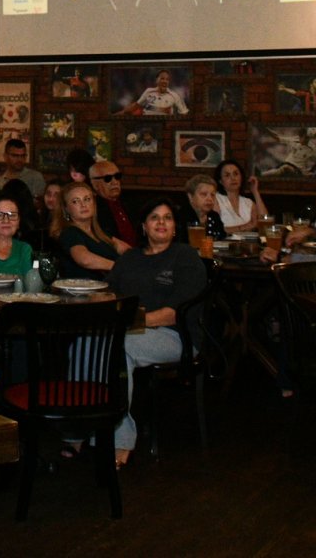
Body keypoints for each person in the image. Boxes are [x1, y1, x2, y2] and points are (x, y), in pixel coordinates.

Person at [108, 199, 207, 467]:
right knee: (84, 344)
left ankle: (120, 439)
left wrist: (128, 323)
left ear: (175, 227)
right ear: (143, 226)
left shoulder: (185, 256)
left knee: (118, 346)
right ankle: (83, 429)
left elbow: (175, 313)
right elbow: (108, 295)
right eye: (154, 217)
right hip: (129, 331)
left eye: (167, 218)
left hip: (175, 335)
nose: (161, 223)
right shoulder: (129, 259)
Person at [58, 183, 128, 276]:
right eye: (75, 201)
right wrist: (119, 267)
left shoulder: (100, 233)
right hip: (83, 289)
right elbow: (84, 259)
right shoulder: (70, 233)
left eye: (87, 199)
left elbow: (128, 251)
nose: (83, 205)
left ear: (94, 204)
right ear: (66, 209)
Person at [87, 159, 139, 246]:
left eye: (117, 176)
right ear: (95, 184)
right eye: (108, 178)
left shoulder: (130, 202)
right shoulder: (93, 209)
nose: (114, 182)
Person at [212, 158, 267, 233]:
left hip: (248, 243)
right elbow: (215, 230)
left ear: (241, 177)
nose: (233, 178)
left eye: (236, 174)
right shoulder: (215, 199)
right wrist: (246, 226)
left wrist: (255, 192)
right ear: (220, 181)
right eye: (227, 175)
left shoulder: (248, 202)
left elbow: (265, 223)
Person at [180, 173, 225, 239]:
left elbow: (222, 238)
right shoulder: (181, 217)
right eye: (204, 194)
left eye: (212, 195)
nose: (209, 199)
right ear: (190, 197)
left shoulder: (214, 216)